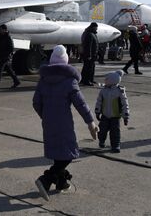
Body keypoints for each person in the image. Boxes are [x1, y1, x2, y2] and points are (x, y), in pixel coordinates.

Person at [33, 45, 98, 201]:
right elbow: (80, 103)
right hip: (64, 122)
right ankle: (46, 180)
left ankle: (62, 183)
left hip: (48, 121)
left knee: (59, 153)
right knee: (68, 154)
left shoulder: (43, 80)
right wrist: (90, 122)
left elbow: (36, 102)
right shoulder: (69, 81)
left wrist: (45, 115)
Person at [95, 70, 130, 153]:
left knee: (115, 132)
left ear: (113, 81)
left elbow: (125, 103)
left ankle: (115, 145)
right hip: (105, 116)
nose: (105, 81)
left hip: (116, 116)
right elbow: (99, 101)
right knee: (102, 130)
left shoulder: (120, 91)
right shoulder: (103, 90)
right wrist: (97, 111)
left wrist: (126, 115)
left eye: (107, 79)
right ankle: (101, 141)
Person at [0, 24, 20, 90]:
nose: (0, 31)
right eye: (0, 29)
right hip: (1, 55)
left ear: (5, 30)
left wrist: (6, 54)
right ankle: (16, 81)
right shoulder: (0, 36)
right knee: (9, 70)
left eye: (1, 29)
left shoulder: (8, 37)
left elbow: (11, 48)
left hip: (6, 56)